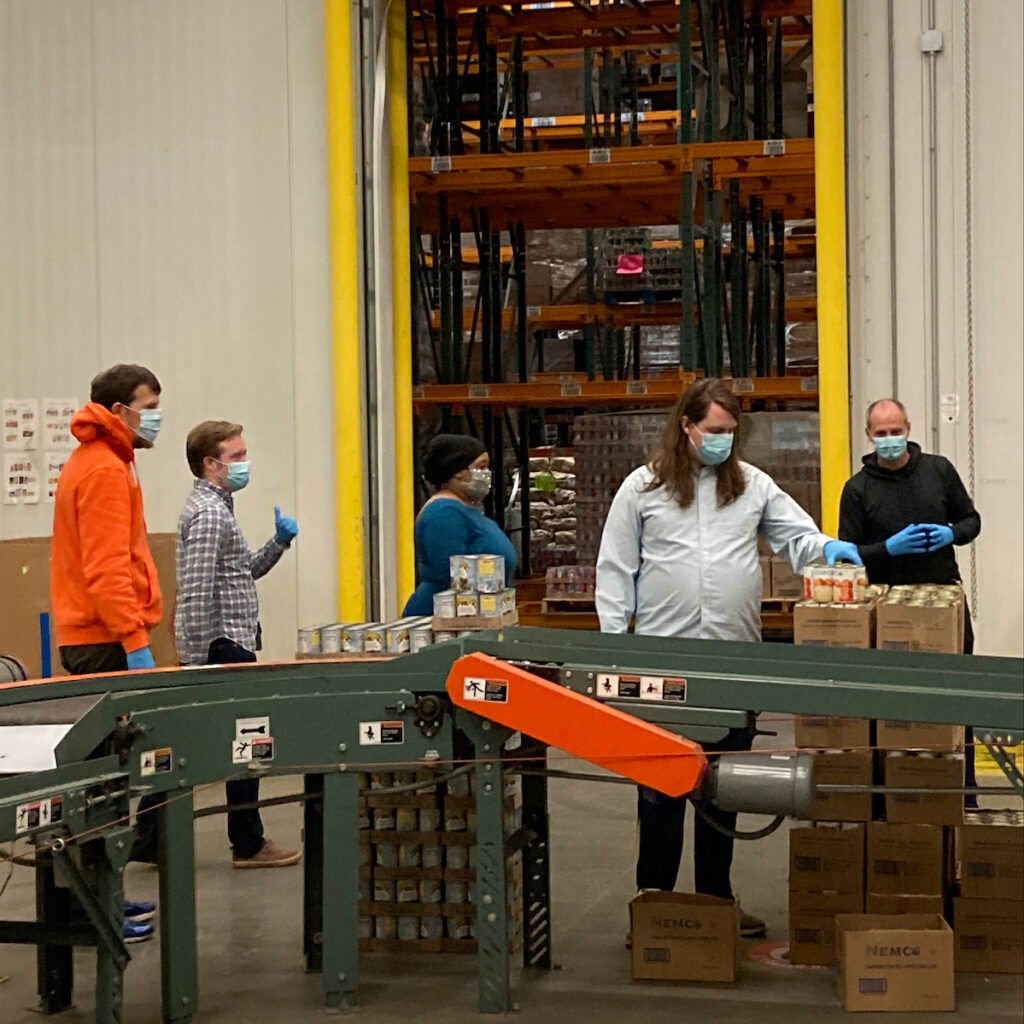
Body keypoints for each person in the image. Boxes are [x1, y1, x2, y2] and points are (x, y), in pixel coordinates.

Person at [595, 379, 862, 939]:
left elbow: (798, 537)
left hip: (733, 662)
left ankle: (717, 901)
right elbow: (615, 570)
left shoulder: (752, 487)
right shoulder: (642, 490)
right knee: (662, 792)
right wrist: (615, 647)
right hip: (663, 665)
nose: (722, 441)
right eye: (713, 431)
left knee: (723, 787)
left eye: (729, 433)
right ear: (686, 426)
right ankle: (655, 904)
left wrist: (828, 548)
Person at [50, 363, 166, 942]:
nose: (156, 416)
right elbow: (105, 570)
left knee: (109, 785)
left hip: (100, 638)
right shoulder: (101, 470)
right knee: (102, 788)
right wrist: (135, 642)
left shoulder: (110, 461)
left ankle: (106, 898)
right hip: (103, 644)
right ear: (120, 410)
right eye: (149, 405)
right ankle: (94, 910)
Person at [165, 420, 301, 867]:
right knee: (248, 744)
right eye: (237, 456)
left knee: (225, 743)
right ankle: (248, 843)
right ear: (211, 463)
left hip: (230, 640)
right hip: (221, 646)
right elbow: (197, 591)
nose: (245, 463)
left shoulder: (220, 509)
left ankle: (151, 835)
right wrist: (197, 658)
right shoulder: (208, 515)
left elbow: (243, 571)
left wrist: (279, 543)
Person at [838, 397, 982, 803]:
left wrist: (952, 534)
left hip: (944, 602)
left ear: (909, 428)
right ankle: (889, 795)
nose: (889, 440)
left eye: (895, 431)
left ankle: (963, 788)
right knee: (892, 706)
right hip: (888, 612)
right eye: (881, 434)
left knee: (957, 695)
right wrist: (888, 549)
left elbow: (972, 521)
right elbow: (847, 555)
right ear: (868, 435)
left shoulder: (939, 471)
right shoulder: (857, 490)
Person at [402, 434, 517, 616]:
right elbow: (451, 580)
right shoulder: (444, 514)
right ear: (457, 470)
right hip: (447, 621)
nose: (487, 474)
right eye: (481, 467)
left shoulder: (466, 509)